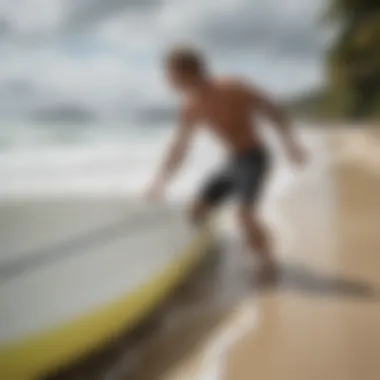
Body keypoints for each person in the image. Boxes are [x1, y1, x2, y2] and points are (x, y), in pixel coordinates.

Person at [146, 46, 307, 272]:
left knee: (243, 214)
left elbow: (271, 108)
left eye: (170, 74)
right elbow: (179, 148)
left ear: (187, 72)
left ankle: (267, 263)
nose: (167, 80)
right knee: (196, 210)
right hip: (232, 162)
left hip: (254, 157)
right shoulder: (190, 107)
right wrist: (160, 182)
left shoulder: (230, 87)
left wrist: (292, 146)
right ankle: (209, 250)